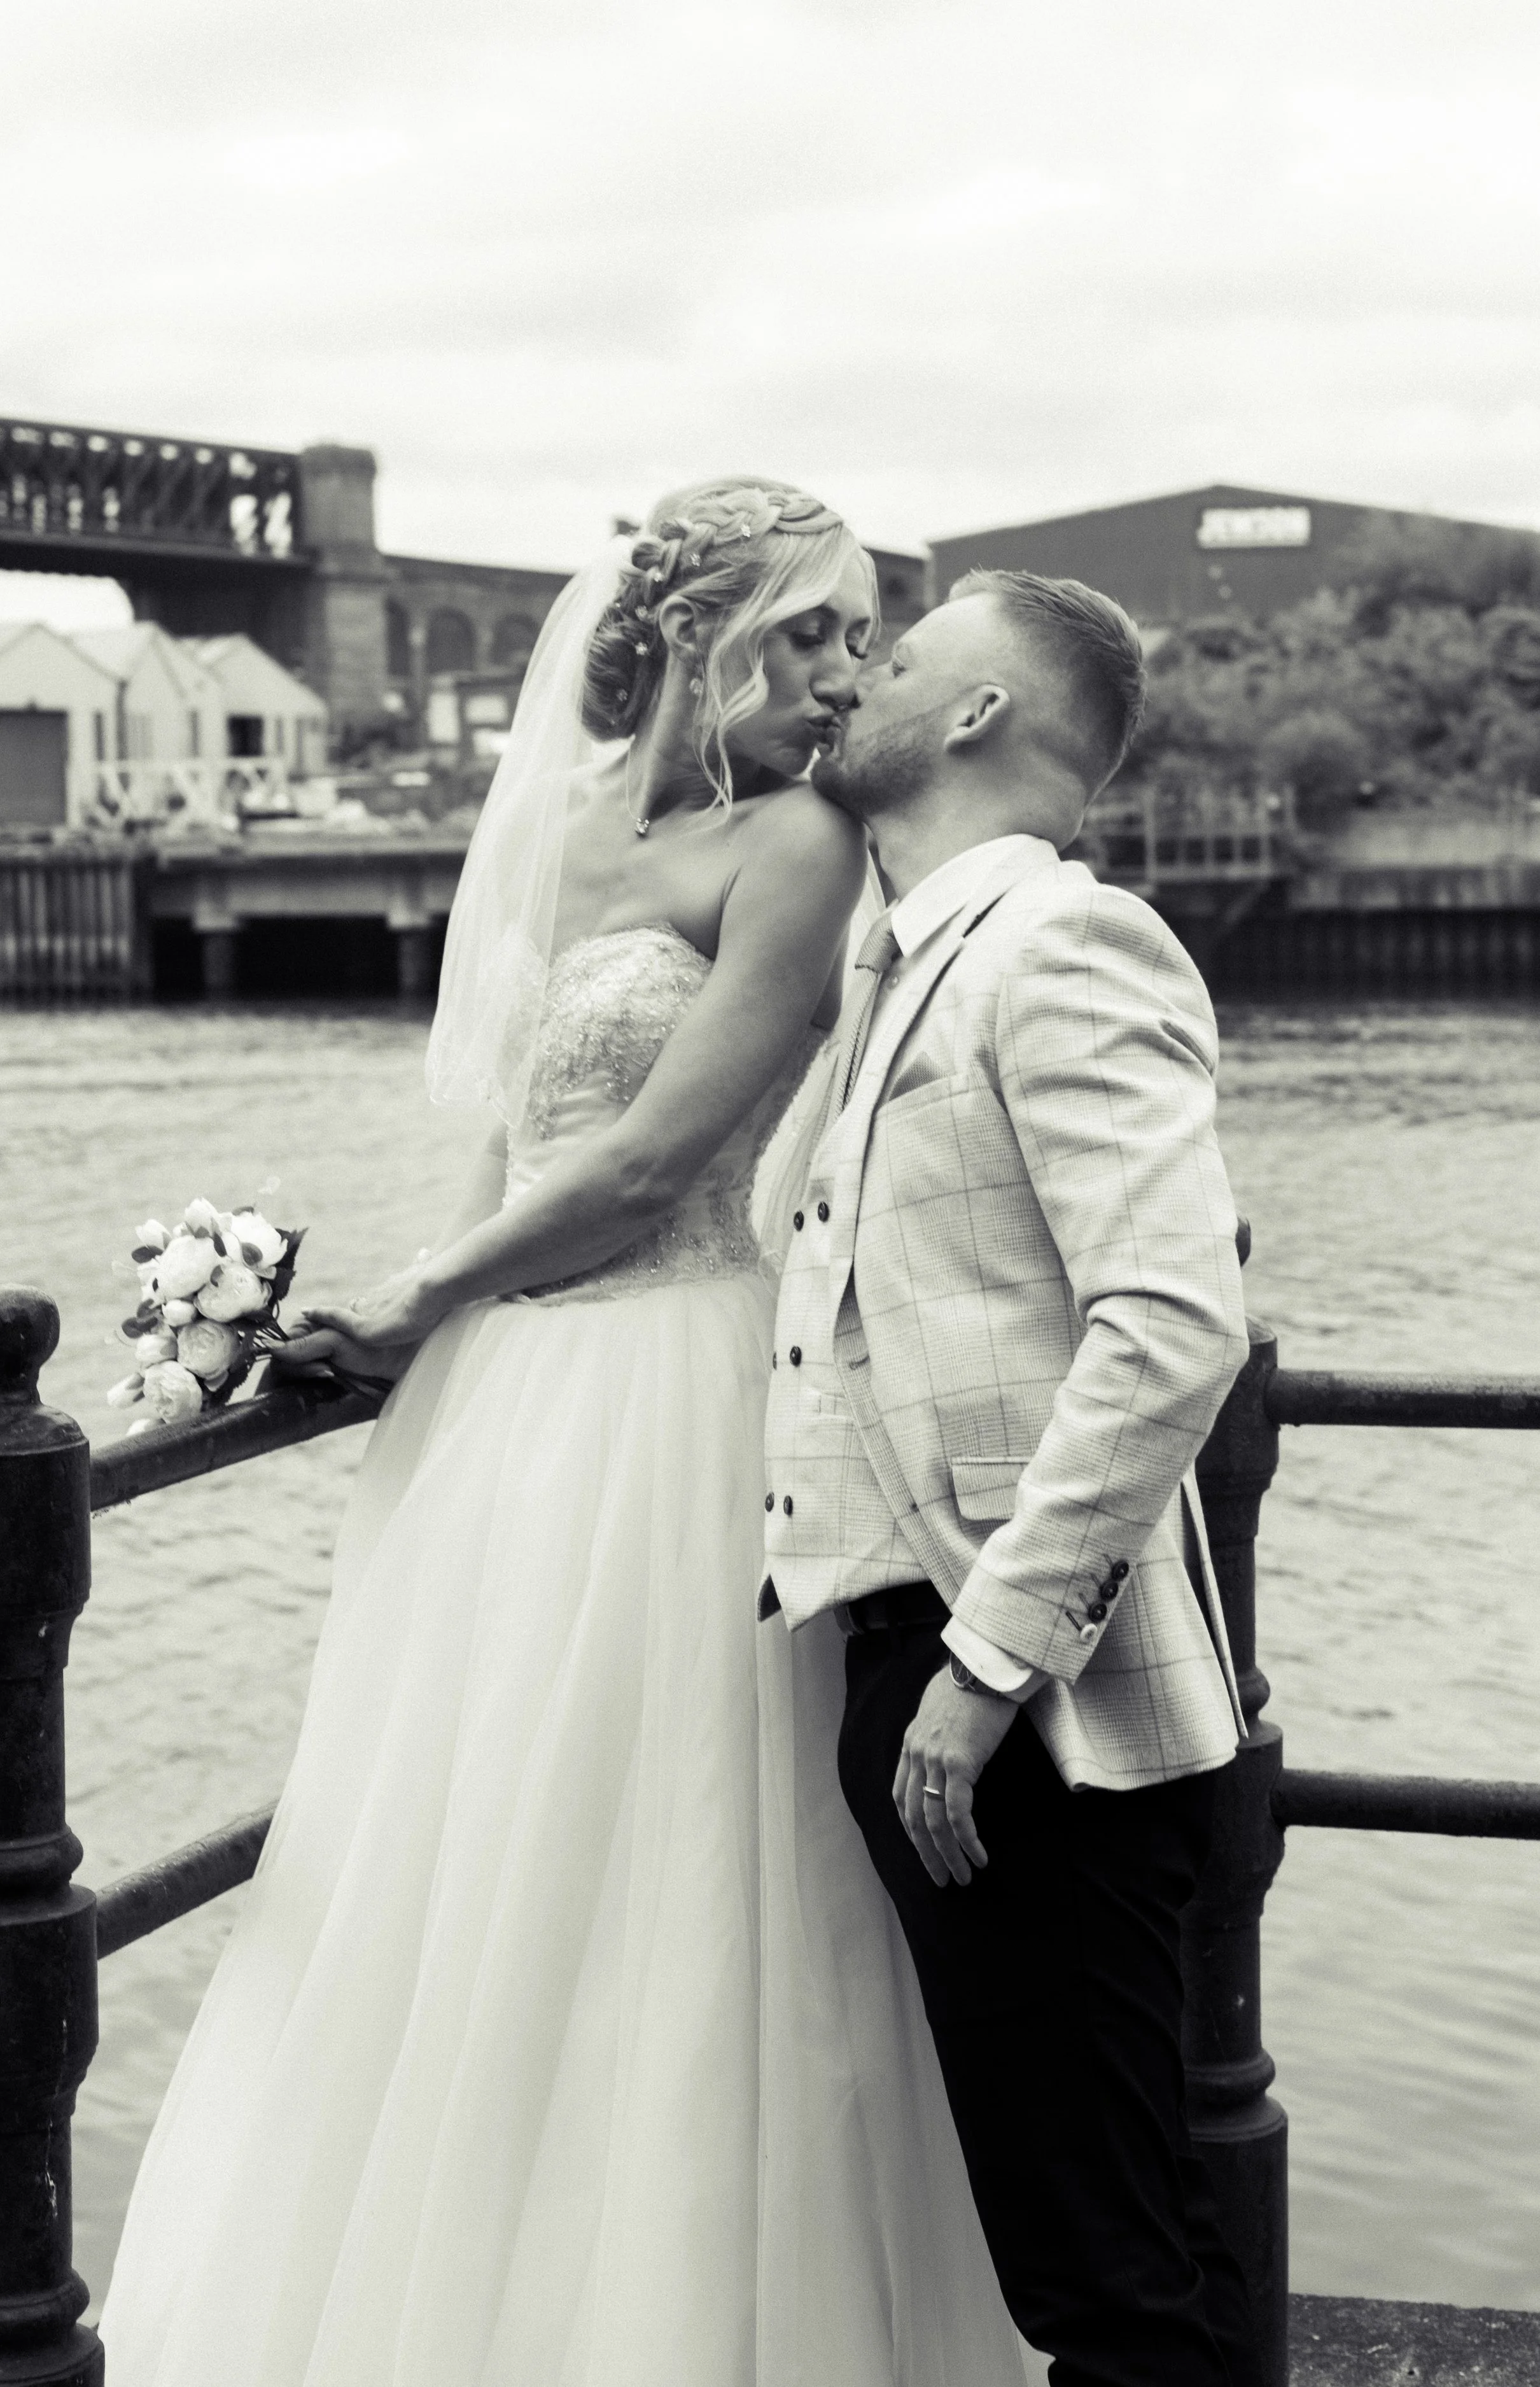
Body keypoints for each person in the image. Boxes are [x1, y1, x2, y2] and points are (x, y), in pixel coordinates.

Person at [99, 481, 1027, 2386]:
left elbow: (661, 1151)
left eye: (863, 637)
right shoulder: (562, 840)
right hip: (505, 1413)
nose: (847, 675)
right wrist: (359, 1322)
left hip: (676, 1397)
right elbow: (515, 1129)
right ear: (701, 638)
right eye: (814, 632)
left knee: (684, 1867)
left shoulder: (800, 842)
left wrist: (427, 1294)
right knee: (458, 1850)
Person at [760, 565, 1264, 2387]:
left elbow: (1171, 1317)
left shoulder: (1063, 940)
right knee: (1105, 2240)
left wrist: (986, 1665)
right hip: (922, 1658)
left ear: (974, 714)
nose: (847, 687)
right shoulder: (908, 955)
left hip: (1019, 1704)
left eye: (889, 661)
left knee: (1107, 2288)